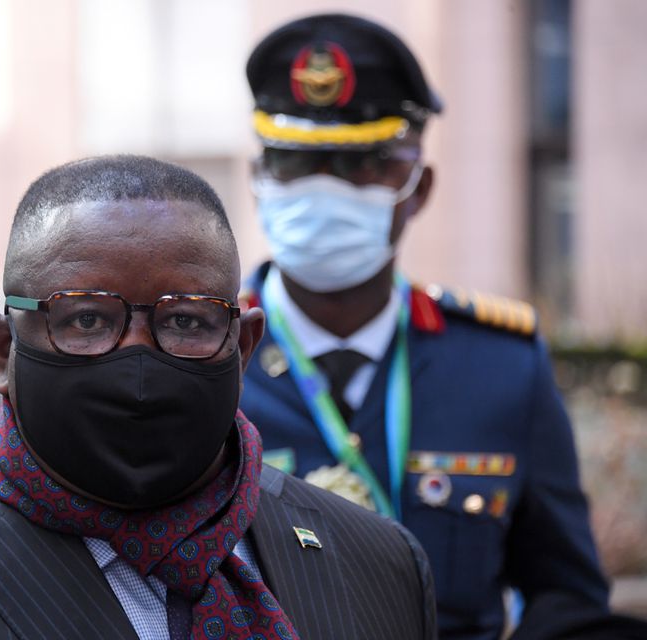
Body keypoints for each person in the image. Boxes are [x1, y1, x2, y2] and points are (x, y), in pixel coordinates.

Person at [0, 155, 437, 639]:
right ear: (2, 348)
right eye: (84, 319)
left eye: (186, 319)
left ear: (244, 343)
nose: (136, 362)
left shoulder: (380, 564)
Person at [237, 13, 638, 640]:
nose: (324, 189)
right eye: (296, 162)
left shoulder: (499, 363)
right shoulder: (205, 359)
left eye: (360, 164)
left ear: (418, 187)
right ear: (258, 182)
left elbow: (566, 601)